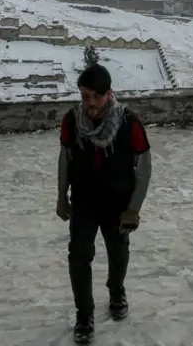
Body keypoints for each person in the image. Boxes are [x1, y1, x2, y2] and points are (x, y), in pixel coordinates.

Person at [57, 64, 152, 344]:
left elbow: (143, 167)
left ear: (108, 94)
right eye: (85, 97)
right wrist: (62, 196)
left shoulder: (129, 123)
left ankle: (116, 292)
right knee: (78, 256)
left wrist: (133, 208)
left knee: (118, 252)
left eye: (96, 97)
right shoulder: (71, 121)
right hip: (85, 201)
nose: (90, 104)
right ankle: (84, 315)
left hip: (117, 203)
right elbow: (65, 159)